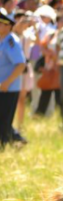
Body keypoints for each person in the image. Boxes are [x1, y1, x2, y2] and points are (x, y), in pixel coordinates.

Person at [0, 11, 25, 147]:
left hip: (8, 88)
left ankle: (5, 146)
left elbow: (21, 64)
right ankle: (18, 140)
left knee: (4, 121)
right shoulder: (2, 41)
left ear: (7, 26)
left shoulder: (11, 41)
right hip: (2, 87)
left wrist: (7, 82)